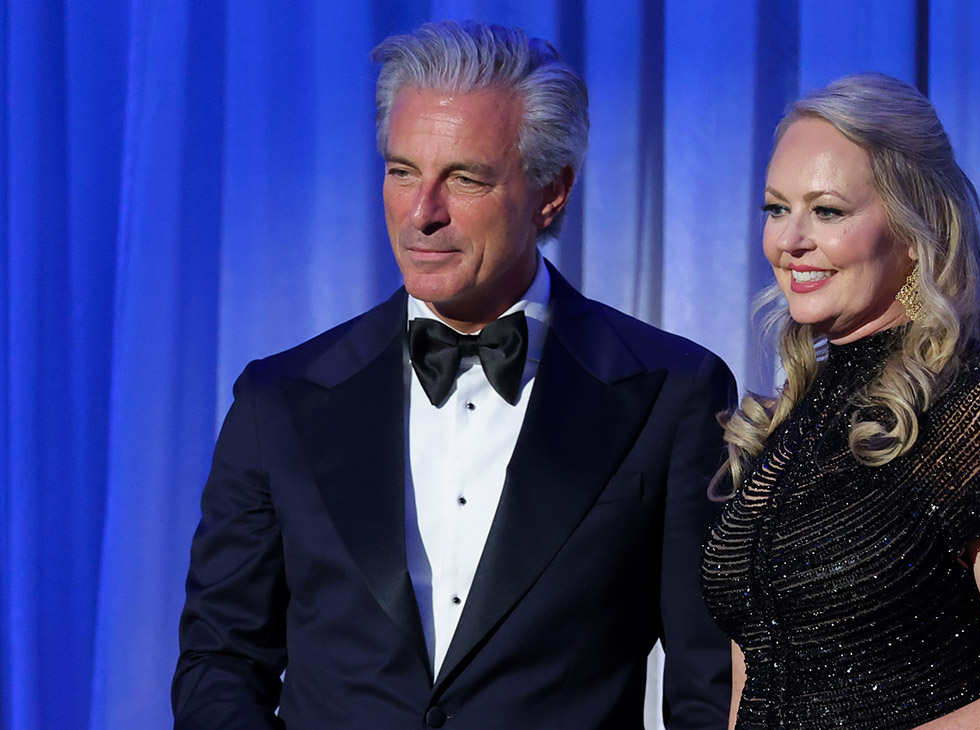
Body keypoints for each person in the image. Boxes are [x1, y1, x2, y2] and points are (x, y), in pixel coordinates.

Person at [173, 21, 735, 730]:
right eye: (401, 170)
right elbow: (220, 662)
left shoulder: (674, 394)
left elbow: (708, 687)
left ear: (551, 192)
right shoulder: (277, 398)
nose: (421, 212)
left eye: (464, 178)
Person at [701, 73, 980, 729]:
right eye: (776, 209)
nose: (790, 240)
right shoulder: (787, 424)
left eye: (828, 210)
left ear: (913, 225)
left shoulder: (977, 406)